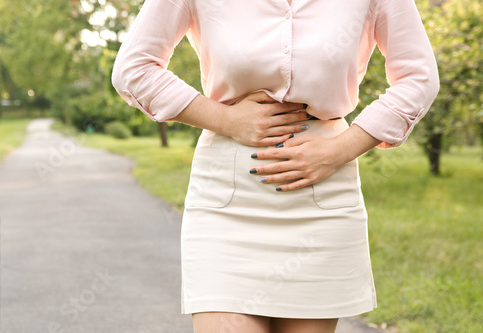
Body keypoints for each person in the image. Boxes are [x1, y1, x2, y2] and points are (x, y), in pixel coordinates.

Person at [112, 0, 439, 332]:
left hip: (321, 196)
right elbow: (134, 68)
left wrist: (340, 150)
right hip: (228, 202)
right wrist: (224, 118)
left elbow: (419, 77)